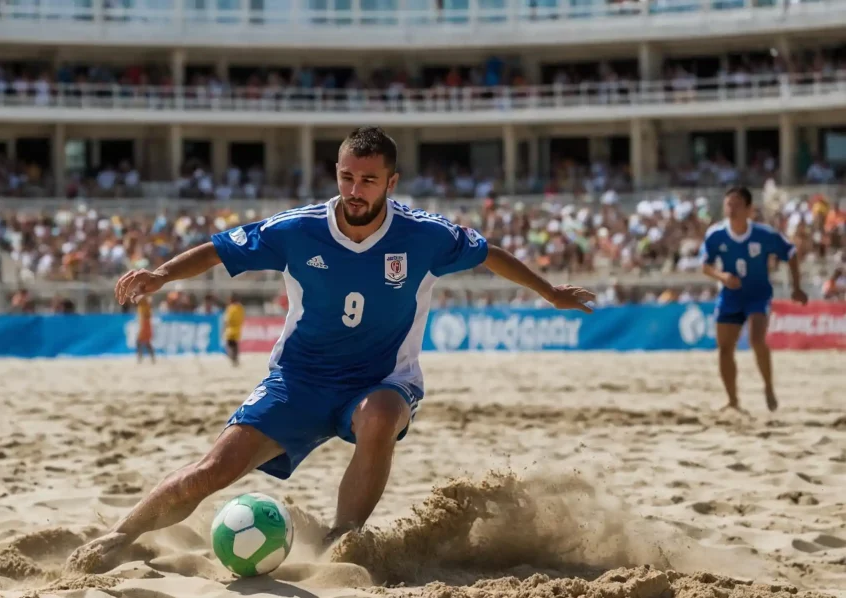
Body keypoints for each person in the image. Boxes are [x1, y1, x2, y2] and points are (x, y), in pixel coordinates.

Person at [65, 127, 595, 571]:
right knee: (210, 471)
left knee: (383, 414)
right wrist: (161, 273)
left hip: (380, 379)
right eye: (346, 176)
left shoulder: (423, 234)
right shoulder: (298, 229)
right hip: (298, 380)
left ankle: (345, 538)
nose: (355, 189)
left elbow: (489, 254)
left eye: (368, 179)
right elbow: (220, 250)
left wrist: (548, 292)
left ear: (391, 181)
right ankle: (120, 535)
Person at [700, 186, 808, 412]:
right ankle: (733, 401)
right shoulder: (716, 234)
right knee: (724, 349)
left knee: (757, 340)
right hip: (730, 296)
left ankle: (768, 386)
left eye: (737, 205)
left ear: (749, 209)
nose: (731, 209)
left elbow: (790, 253)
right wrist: (722, 276)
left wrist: (796, 287)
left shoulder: (764, 234)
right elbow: (705, 265)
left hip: (758, 296)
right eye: (728, 204)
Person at [223, 294, 245, 367]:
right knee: (235, 344)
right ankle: (236, 359)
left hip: (230, 329)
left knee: (229, 344)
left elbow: (227, 319)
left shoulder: (230, 308)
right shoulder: (240, 308)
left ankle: (233, 358)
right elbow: (242, 317)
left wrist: (224, 326)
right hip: (238, 328)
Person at [135, 294, 155, 364]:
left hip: (145, 325)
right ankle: (151, 358)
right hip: (145, 324)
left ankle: (140, 357)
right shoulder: (142, 306)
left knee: (141, 342)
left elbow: (146, 316)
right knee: (146, 343)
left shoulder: (145, 305)